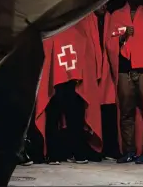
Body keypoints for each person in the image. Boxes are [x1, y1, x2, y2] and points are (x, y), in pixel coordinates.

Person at [35, 14, 103, 165]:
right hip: (55, 76)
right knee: (54, 112)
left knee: (75, 114)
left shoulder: (82, 18)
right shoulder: (53, 17)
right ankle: (53, 154)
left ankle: (77, 151)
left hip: (74, 77)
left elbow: (87, 46)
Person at [107, 0, 143, 164]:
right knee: (126, 112)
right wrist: (122, 35)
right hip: (124, 70)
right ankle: (128, 151)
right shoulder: (116, 15)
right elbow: (109, 42)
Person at [94, 4, 120, 159]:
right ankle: (96, 148)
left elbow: (115, 40)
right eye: (100, 4)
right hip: (92, 73)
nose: (103, 7)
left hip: (107, 73)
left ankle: (110, 148)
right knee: (92, 112)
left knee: (109, 111)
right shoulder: (88, 21)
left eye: (105, 3)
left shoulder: (111, 19)